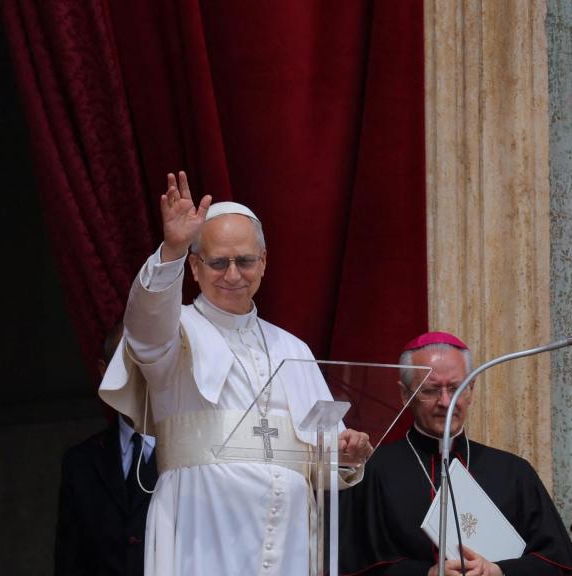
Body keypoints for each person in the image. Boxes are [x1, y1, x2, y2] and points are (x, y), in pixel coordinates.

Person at [98, 171, 373, 576]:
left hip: (290, 539)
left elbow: (322, 459)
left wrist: (346, 455)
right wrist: (170, 250)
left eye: (244, 261)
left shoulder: (293, 349)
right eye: (217, 262)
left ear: (263, 262)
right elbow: (144, 329)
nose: (232, 275)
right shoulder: (175, 332)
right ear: (194, 266)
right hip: (202, 527)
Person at [340, 332, 572, 576]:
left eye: (456, 388)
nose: (446, 402)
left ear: (471, 388)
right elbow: (352, 567)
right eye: (431, 390)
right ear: (405, 394)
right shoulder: (374, 473)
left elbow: (556, 565)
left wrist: (498, 571)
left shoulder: (514, 472)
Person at [54, 322, 159, 576]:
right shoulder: (80, 463)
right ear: (105, 371)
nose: (139, 375)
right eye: (127, 362)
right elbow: (69, 562)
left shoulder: (190, 453)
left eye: (148, 362)